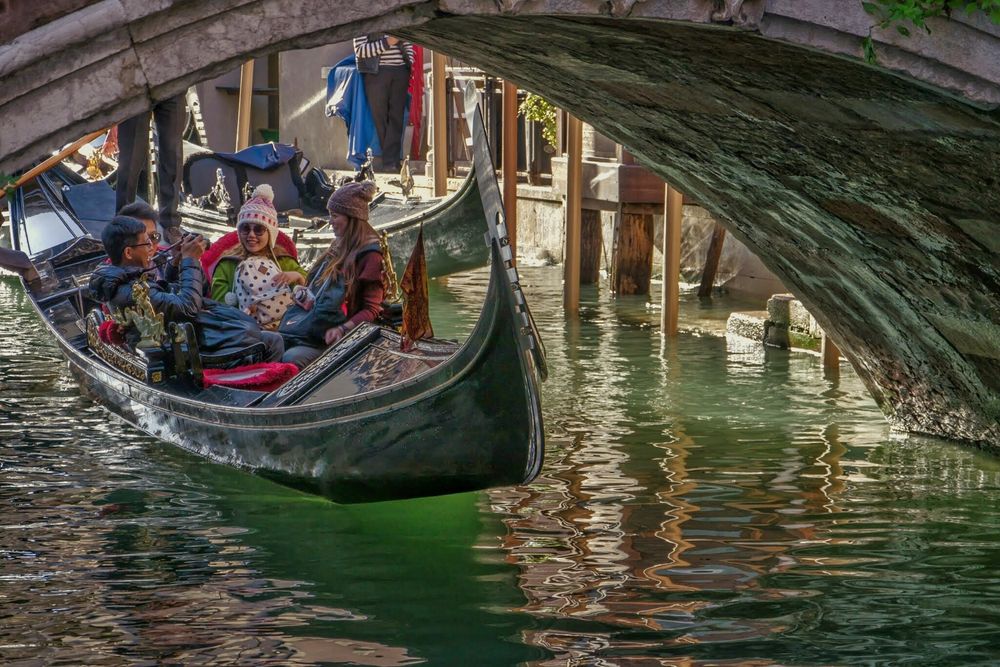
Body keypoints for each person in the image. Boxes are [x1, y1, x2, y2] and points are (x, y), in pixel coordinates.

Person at [90, 216, 284, 364]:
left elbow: (166, 297)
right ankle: (269, 384)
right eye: (147, 242)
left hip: (185, 339)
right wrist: (190, 260)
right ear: (128, 253)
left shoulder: (122, 279)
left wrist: (176, 263)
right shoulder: (129, 290)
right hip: (183, 352)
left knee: (267, 334)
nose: (152, 247)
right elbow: (187, 308)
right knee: (272, 340)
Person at [280, 182, 385, 368]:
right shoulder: (338, 246)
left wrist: (342, 329)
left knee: (291, 358)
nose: (330, 221)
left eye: (335, 216)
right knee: (271, 343)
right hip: (314, 328)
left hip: (339, 338)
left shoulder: (370, 256)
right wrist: (301, 290)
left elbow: (371, 310)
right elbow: (316, 291)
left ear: (352, 218)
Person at [209, 184, 307, 330]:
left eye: (259, 229)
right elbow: (219, 304)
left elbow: (312, 291)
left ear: (270, 234)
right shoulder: (227, 264)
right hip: (244, 330)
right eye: (245, 229)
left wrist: (298, 277)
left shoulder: (283, 261)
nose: (251, 235)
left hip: (287, 327)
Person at [115, 95, 186, 245]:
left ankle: (171, 222)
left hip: (173, 83)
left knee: (173, 155)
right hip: (137, 85)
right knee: (130, 159)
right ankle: (123, 220)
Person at [353, 34, 414, 173]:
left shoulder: (397, 18)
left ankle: (391, 163)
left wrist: (409, 62)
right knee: (380, 117)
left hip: (401, 71)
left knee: (396, 117)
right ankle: (390, 161)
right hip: (376, 73)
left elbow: (409, 42)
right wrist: (387, 42)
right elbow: (360, 50)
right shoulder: (364, 20)